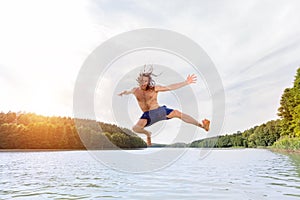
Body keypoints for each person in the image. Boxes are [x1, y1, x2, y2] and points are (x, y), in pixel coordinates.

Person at [118, 67, 210, 146]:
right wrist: (123, 93)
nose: (144, 83)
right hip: (147, 115)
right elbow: (128, 91)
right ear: (139, 81)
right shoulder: (135, 90)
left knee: (177, 113)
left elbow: (170, 87)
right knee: (135, 128)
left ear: (148, 81)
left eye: (146, 81)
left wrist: (185, 82)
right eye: (142, 81)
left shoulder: (154, 89)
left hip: (159, 111)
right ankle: (148, 134)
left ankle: (202, 126)